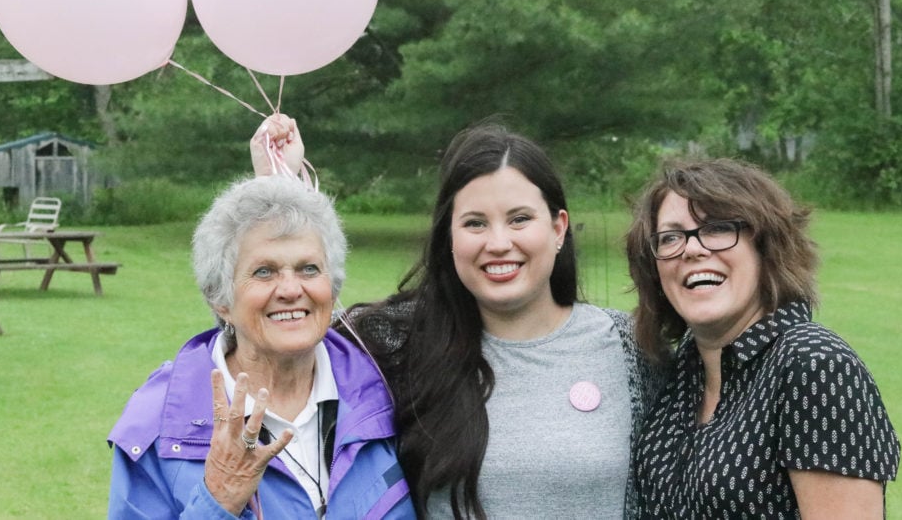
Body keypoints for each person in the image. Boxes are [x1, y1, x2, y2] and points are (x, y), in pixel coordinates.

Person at [252, 114, 663, 519]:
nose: (498, 243)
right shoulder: (398, 344)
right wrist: (278, 192)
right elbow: (276, 344)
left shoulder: (631, 347)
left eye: (520, 219)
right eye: (475, 223)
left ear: (558, 228)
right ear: (449, 236)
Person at [107, 175, 415, 519]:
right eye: (264, 272)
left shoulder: (385, 388)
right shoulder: (159, 425)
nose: (290, 289)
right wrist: (218, 501)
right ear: (220, 298)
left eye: (308, 268)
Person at [625, 157, 900, 518]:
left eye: (718, 228)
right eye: (671, 237)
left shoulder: (814, 366)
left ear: (766, 246)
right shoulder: (682, 369)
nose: (692, 249)